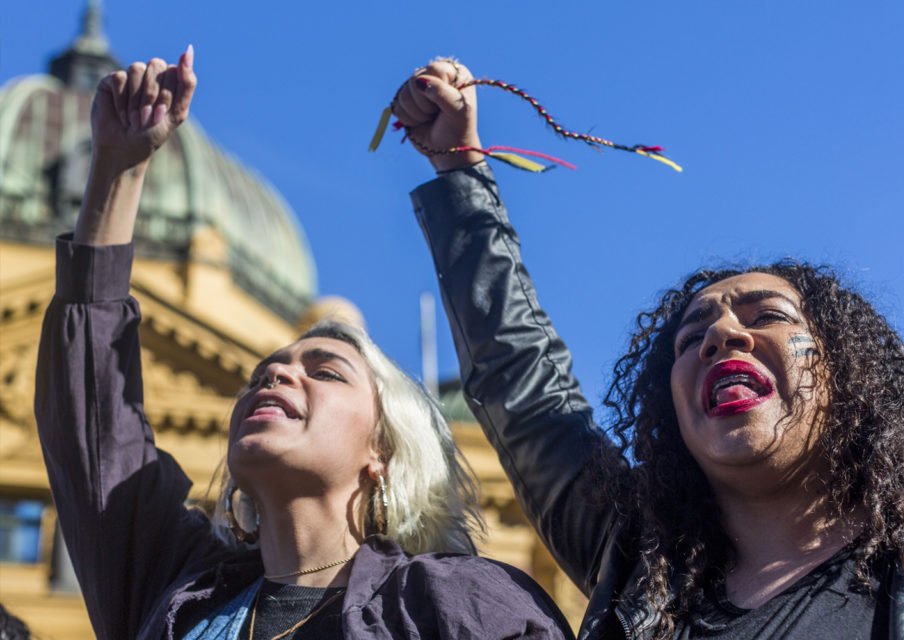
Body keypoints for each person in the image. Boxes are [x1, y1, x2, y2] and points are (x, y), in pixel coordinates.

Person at [393, 59, 904, 639]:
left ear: (850, 375)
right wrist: (460, 171)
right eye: (691, 338)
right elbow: (524, 385)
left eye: (766, 315)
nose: (722, 336)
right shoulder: (638, 561)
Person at [34, 49, 574, 640]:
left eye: (327, 371)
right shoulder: (177, 588)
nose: (275, 376)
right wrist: (118, 169)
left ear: (383, 452)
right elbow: (94, 426)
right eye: (263, 372)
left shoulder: (457, 601)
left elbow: (528, 381)